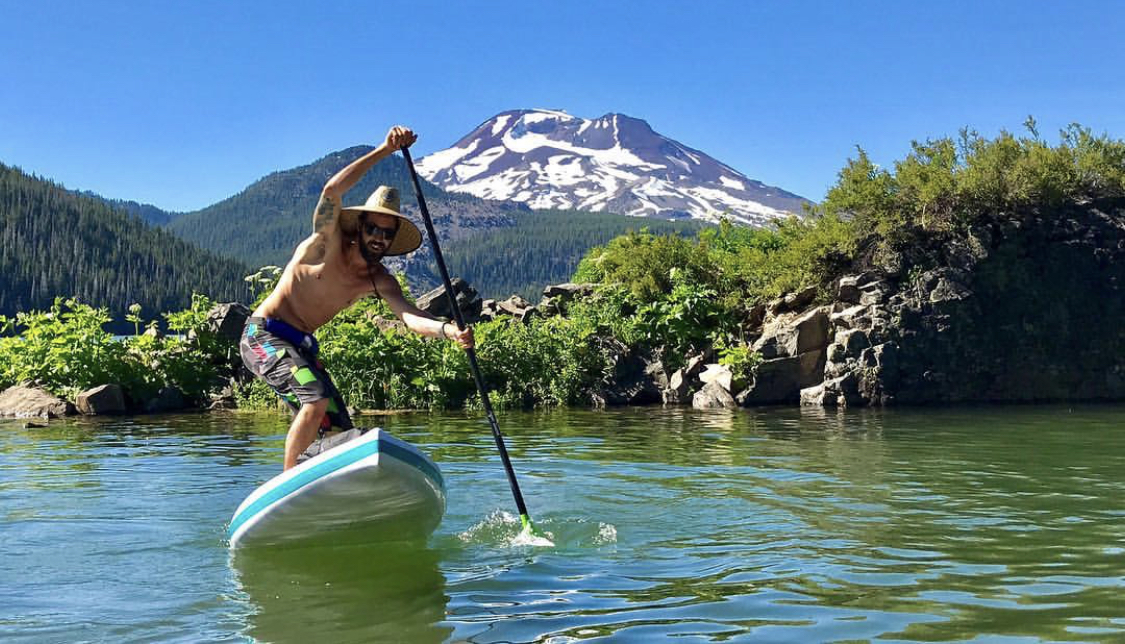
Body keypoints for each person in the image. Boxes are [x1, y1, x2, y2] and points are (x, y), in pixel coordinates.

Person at [239, 126, 473, 470]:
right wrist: (385, 149)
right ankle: (288, 488)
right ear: (359, 226)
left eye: (387, 233)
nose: (379, 237)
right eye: (373, 228)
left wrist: (448, 331)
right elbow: (332, 190)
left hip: (301, 346)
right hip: (263, 336)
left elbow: (408, 316)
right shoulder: (327, 241)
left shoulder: (378, 279)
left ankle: (319, 481)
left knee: (339, 432)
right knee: (315, 401)